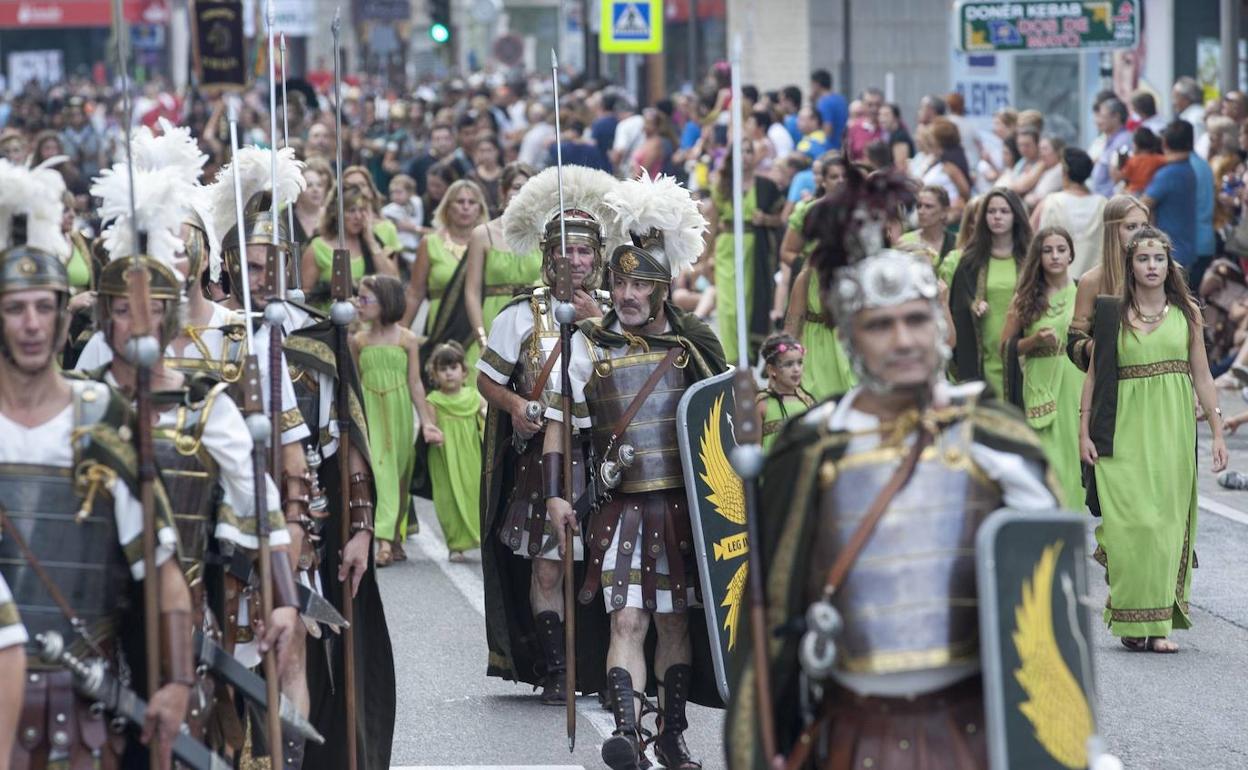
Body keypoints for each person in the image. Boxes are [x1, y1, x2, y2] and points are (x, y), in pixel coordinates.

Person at [724, 222, 1057, 770]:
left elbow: (1049, 611)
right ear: (852, 337)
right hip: (852, 737)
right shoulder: (811, 450)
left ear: (939, 328)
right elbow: (769, 631)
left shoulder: (996, 438)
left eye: (915, 319)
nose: (902, 340)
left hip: (974, 738)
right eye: (880, 325)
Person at [0, 196, 194, 769]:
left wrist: (179, 680)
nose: (31, 324)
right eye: (15, 309)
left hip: (83, 714)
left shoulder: (102, 414)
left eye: (44, 307)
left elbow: (162, 567)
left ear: (65, 317)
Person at [545, 173, 727, 770]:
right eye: (619, 282)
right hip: (620, 506)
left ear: (661, 289)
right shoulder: (586, 345)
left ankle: (671, 738)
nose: (625, 293)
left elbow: (722, 424)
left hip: (680, 506)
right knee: (627, 615)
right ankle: (628, 734)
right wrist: (556, 496)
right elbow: (559, 423)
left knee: (674, 623)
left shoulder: (694, 343)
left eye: (639, 284)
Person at [478, 163, 616, 705]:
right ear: (548, 254)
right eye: (566, 251)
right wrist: (515, 405)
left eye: (585, 252)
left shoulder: (619, 312)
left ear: (598, 257)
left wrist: (597, 323)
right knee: (550, 564)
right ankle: (556, 668)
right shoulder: (521, 313)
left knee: (608, 563)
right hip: (545, 456)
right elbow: (487, 379)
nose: (575, 261)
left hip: (606, 455)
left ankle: (609, 669)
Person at [1079, 227, 1227, 653]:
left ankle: (1159, 624)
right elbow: (1093, 378)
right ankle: (1130, 612)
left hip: (1172, 429)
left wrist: (1217, 432)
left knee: (1164, 524)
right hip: (1122, 429)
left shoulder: (1188, 313)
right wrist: (1083, 432)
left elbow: (1202, 375)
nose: (1151, 267)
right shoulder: (1111, 314)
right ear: (1130, 265)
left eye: (1158, 259)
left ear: (1169, 264)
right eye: (1143, 259)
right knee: (1131, 524)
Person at [352, 275, 439, 567]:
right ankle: (384, 542)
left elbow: (415, 383)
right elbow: (354, 381)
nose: (358, 304)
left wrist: (426, 421)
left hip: (399, 409)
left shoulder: (407, 339)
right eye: (358, 298)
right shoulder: (358, 340)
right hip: (371, 410)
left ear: (385, 302)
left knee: (400, 474)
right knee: (381, 471)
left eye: (365, 299)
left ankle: (396, 537)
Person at [1002, 227, 1086, 509]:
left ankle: (1071, 522)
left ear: (1071, 254)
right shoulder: (1024, 299)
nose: (1055, 256)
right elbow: (1006, 346)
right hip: (1040, 385)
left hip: (1076, 381)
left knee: (1075, 455)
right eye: (1047, 250)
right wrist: (1034, 341)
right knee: (1049, 457)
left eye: (1061, 250)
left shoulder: (1083, 294)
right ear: (1038, 256)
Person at [781, 156, 859, 399]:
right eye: (834, 176)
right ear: (822, 181)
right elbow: (787, 251)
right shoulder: (809, 212)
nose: (840, 182)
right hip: (815, 341)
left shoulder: (862, 212)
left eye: (845, 177)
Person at [705, 138, 785, 363]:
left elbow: (781, 218)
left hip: (755, 248)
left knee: (750, 302)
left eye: (749, 150)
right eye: (741, 151)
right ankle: (732, 357)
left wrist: (766, 219)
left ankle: (747, 354)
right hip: (728, 246)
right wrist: (705, 257)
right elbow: (712, 221)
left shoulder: (766, 186)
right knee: (729, 305)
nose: (746, 156)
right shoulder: (722, 184)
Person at [949, 187, 1033, 397]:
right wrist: (973, 304)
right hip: (983, 350)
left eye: (1004, 211)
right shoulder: (970, 261)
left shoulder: (1030, 258)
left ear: (1016, 216)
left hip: (1023, 348)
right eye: (991, 211)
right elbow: (958, 303)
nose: (997, 217)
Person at [464, 162, 540, 358]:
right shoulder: (482, 234)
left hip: (534, 319)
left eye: (528, 188)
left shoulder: (544, 235)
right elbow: (472, 291)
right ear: (503, 191)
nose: (521, 193)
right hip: (493, 318)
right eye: (516, 187)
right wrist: (482, 338)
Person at [1067, 195, 1151, 371]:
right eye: (1131, 227)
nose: (1140, 233)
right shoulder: (1091, 281)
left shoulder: (1166, 273)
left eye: (1144, 226)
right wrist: (1095, 347)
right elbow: (1075, 341)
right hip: (1113, 379)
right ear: (1113, 230)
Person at [425, 341, 483, 560]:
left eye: (453, 367)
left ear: (464, 371)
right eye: (443, 369)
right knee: (447, 499)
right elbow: (429, 426)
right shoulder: (434, 400)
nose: (449, 373)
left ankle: (477, 536)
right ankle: (455, 544)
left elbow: (488, 416)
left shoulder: (473, 396)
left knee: (472, 492)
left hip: (470, 455)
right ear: (435, 374)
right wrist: (432, 435)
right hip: (444, 458)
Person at [302, 185, 400, 310]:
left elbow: (391, 282)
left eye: (362, 210)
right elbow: (305, 294)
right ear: (337, 213)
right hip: (330, 321)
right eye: (352, 210)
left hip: (367, 323)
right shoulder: (318, 247)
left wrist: (370, 241)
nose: (358, 216)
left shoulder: (372, 244)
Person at [1032, 147, 1107, 279]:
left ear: (1064, 171)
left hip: (1055, 284)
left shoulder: (1050, 202)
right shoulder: (1104, 204)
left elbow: (1030, 235)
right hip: (1096, 286)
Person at [1143, 120, 1198, 273]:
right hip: (1183, 249)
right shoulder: (1188, 168)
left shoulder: (1168, 174)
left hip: (1172, 252)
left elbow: (1143, 204)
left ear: (1164, 143)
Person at [755, 332, 815, 451]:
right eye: (788, 364)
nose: (796, 369)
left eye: (800, 362)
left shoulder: (808, 402)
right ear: (772, 369)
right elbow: (755, 449)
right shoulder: (762, 404)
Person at [898, 184, 960, 283]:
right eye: (919, 206)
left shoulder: (958, 242)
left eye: (928, 206)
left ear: (944, 211)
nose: (921, 211)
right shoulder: (905, 241)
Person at [381, 173, 424, 270]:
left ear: (409, 193)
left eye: (399, 192)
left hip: (417, 246)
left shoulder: (417, 203)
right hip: (399, 249)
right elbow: (409, 227)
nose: (395, 196)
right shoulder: (387, 211)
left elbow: (415, 226)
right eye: (393, 192)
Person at [1091, 97, 1132, 197]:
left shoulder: (1124, 141)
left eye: (1103, 117)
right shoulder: (1108, 139)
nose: (1098, 121)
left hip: (1112, 201)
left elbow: (1121, 176)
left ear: (1116, 117)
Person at [1114, 127, 1166, 194]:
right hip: (1150, 191)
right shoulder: (1158, 159)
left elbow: (1124, 175)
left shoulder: (1132, 160)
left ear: (1136, 145)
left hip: (1133, 191)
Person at [810, 68, 847, 148]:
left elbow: (827, 127)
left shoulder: (824, 102)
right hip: (842, 146)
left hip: (830, 147)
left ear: (817, 84)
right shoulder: (841, 99)